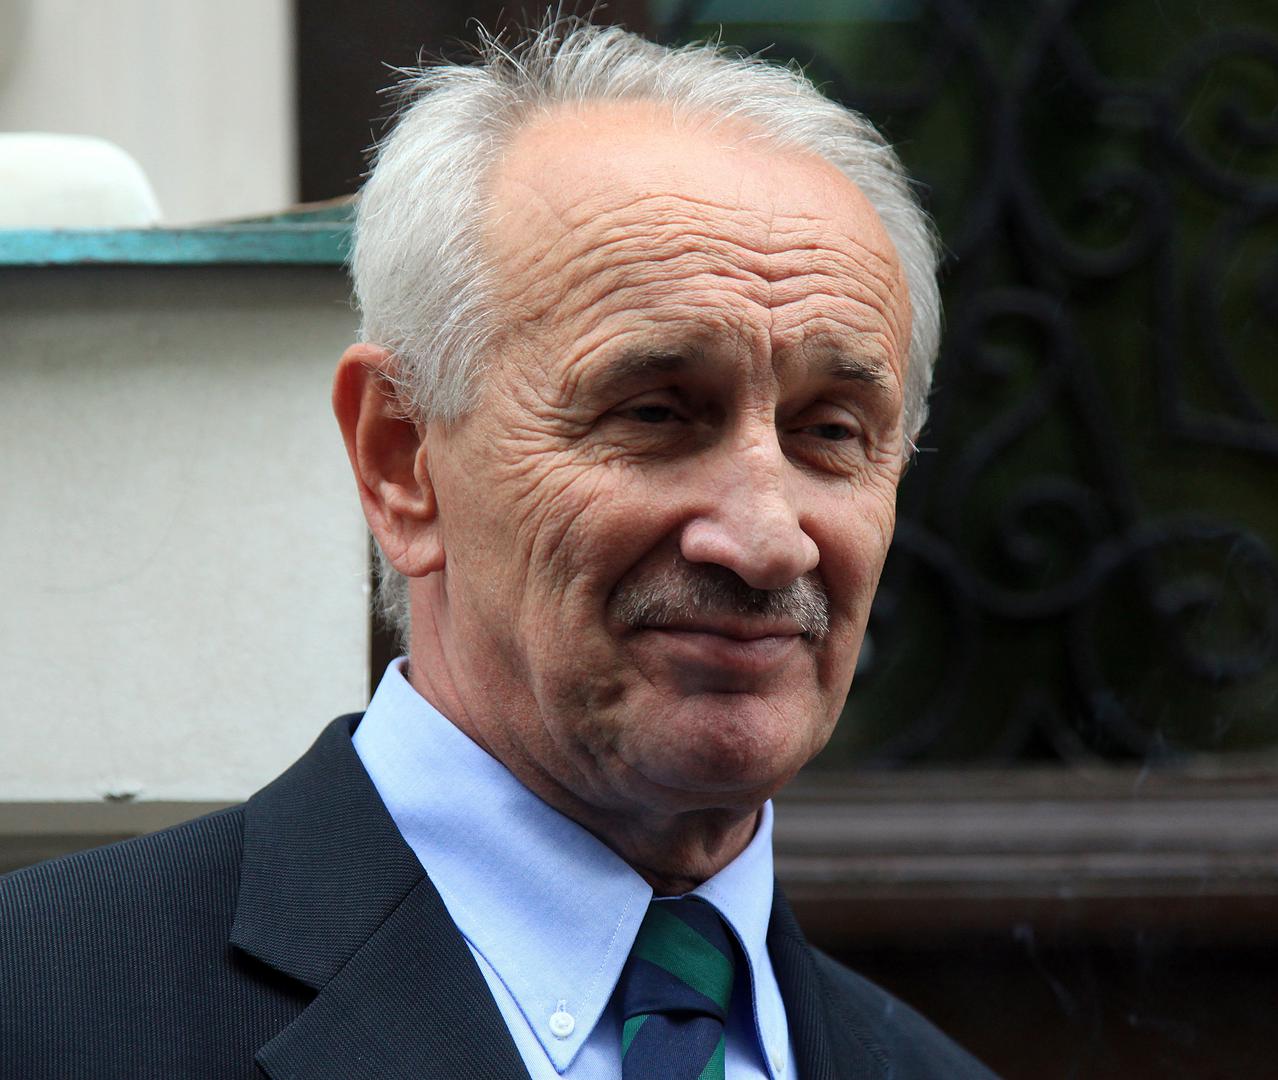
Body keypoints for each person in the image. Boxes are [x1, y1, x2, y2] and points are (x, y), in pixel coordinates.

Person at [0, 21, 997, 1080]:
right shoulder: (44, 1008)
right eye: (656, 413)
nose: (764, 540)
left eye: (831, 431)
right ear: (401, 457)